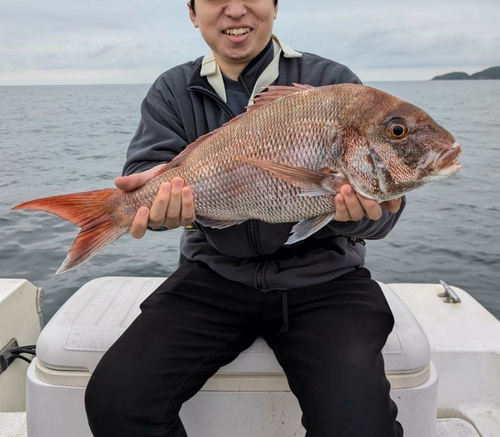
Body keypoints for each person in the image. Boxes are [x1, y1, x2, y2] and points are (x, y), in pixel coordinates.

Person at [84, 1, 405, 436]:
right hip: (213, 277)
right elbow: (149, 167)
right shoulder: (173, 89)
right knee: (115, 400)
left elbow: (383, 220)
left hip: (325, 283)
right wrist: (157, 210)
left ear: (275, 7)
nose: (235, 10)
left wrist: (354, 217)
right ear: (193, 13)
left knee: (360, 426)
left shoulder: (333, 82)